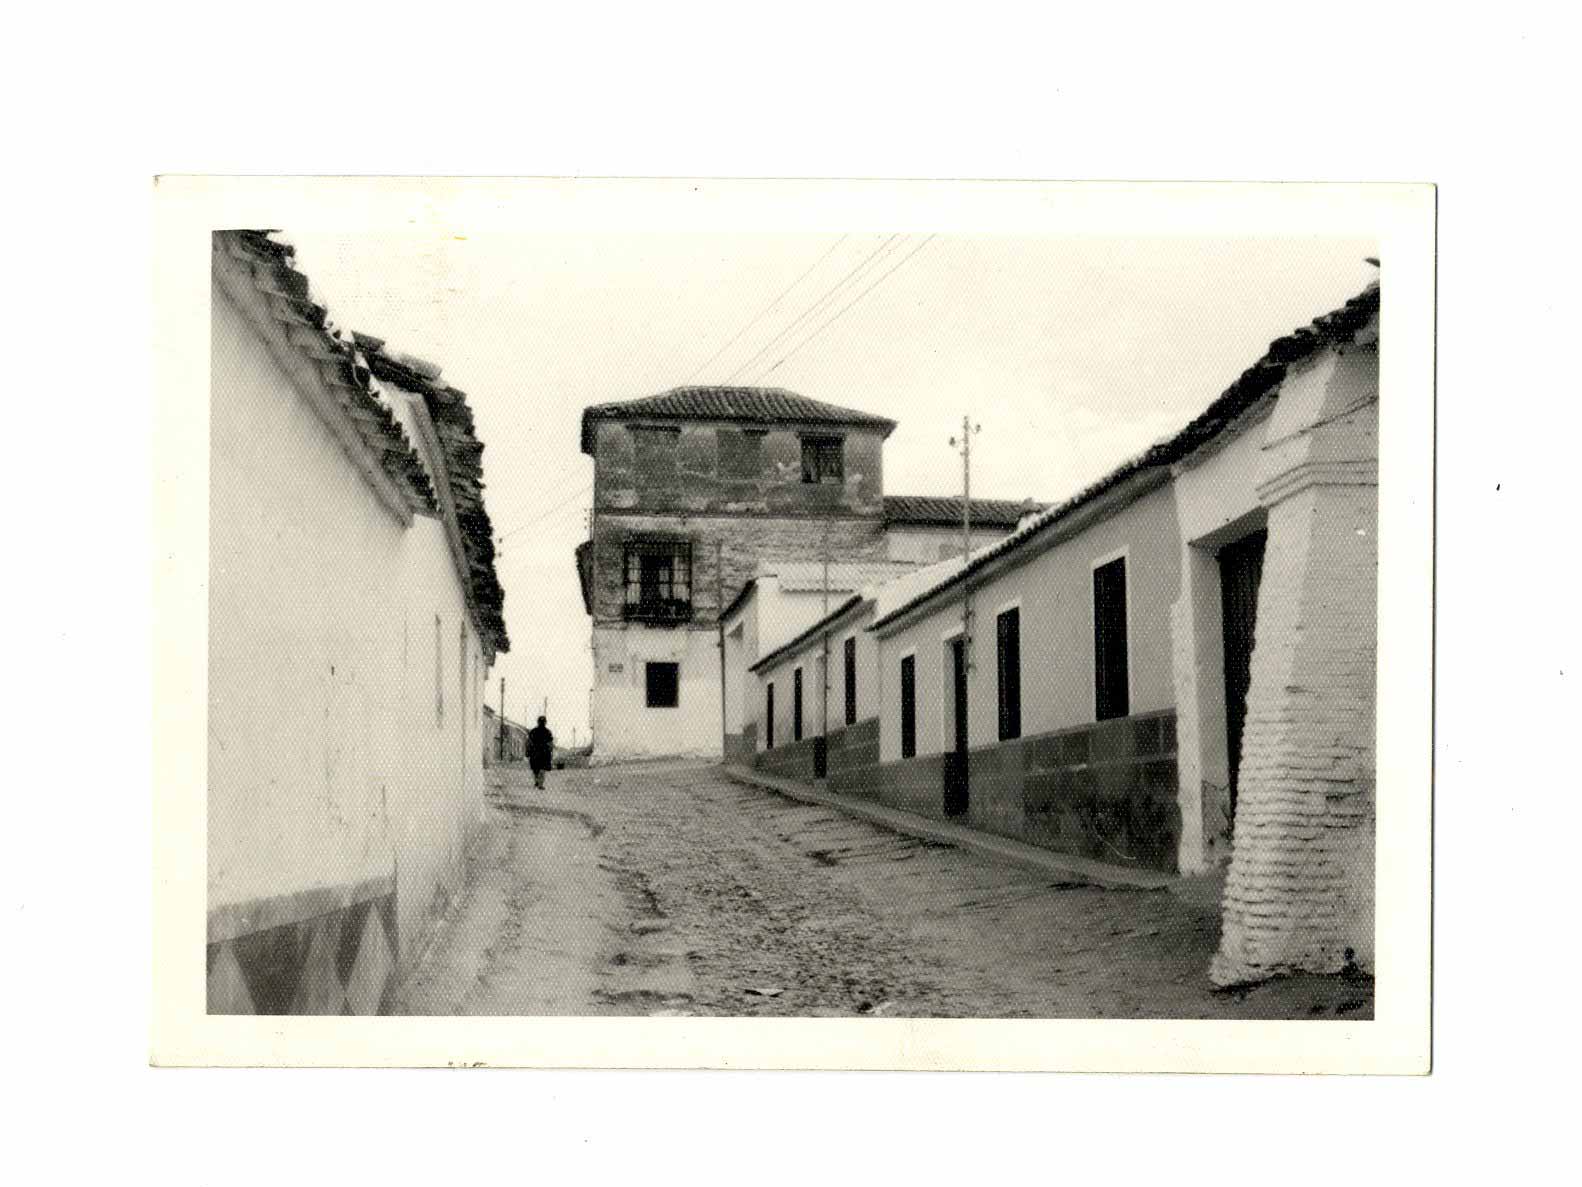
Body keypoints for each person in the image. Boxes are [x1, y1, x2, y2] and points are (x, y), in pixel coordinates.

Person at [527, 716, 554, 789]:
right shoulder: (548, 732)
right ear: (545, 722)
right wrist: (551, 751)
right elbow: (550, 743)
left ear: (537, 722)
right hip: (544, 752)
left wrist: (528, 751)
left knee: (536, 768)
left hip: (535, 752)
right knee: (542, 768)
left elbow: (529, 742)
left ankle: (537, 781)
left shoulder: (533, 731)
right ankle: (540, 784)